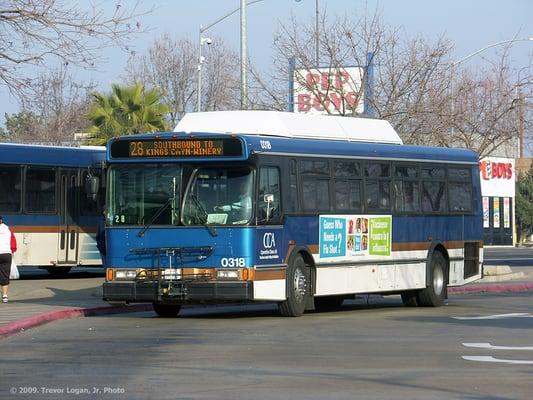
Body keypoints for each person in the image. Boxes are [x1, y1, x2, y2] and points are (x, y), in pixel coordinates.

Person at [0, 215, 14, 303]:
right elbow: (13, 243)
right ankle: (5, 296)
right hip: (6, 254)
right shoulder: (8, 229)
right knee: (5, 275)